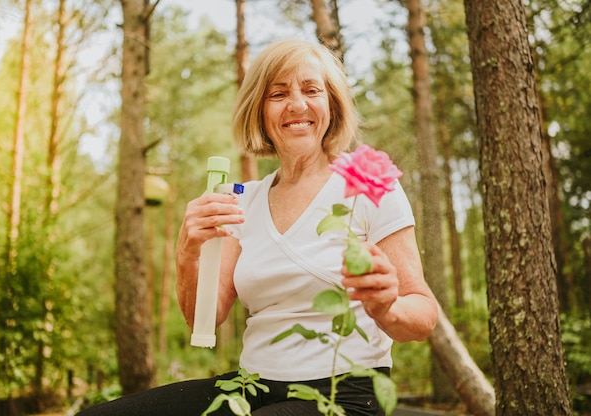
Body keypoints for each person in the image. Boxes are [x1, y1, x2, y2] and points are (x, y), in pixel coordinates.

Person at [77, 38, 438, 416]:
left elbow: (422, 315)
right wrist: (187, 252)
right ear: (260, 112)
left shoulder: (369, 182)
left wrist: (386, 308)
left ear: (332, 104)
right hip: (252, 387)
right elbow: (206, 315)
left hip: (344, 395)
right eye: (278, 93)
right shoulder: (243, 200)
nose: (297, 104)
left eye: (311, 90)